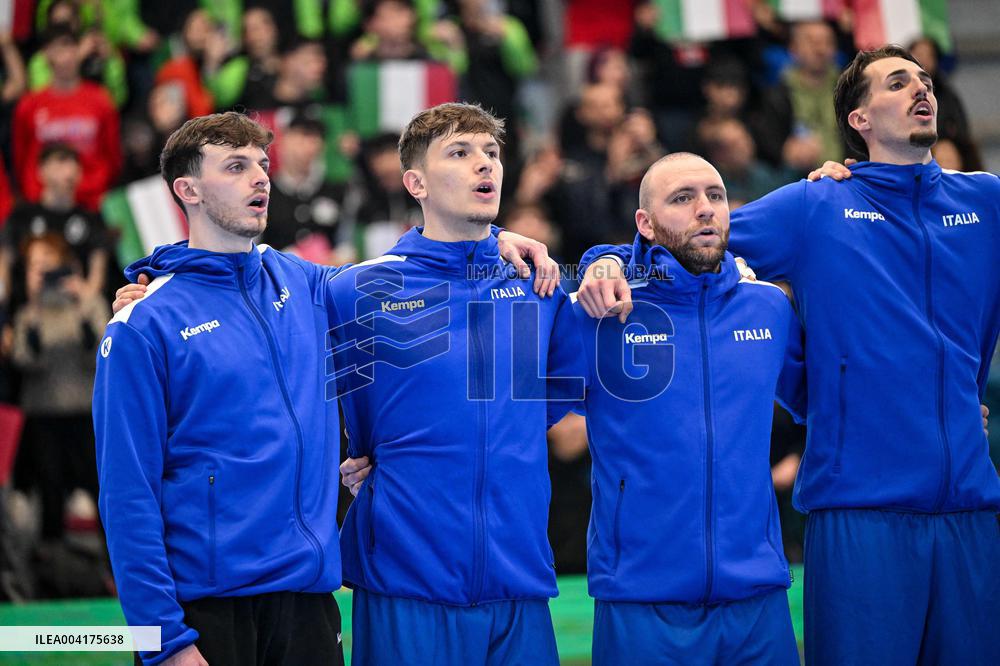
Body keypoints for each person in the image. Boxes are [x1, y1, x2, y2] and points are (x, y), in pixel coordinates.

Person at [577, 46, 1000, 665]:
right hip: (860, 509)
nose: (921, 90)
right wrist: (601, 260)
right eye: (898, 82)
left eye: (926, 80)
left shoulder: (985, 204)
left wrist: (963, 402)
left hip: (971, 504)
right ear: (858, 119)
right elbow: (690, 239)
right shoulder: (817, 206)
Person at [327, 102, 585, 665]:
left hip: (518, 578)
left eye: (492, 153)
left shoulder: (538, 286)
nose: (484, 166)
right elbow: (263, 323)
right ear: (414, 182)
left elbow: (545, 404)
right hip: (404, 578)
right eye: (460, 153)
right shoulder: (355, 290)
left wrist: (609, 260)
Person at [577, 152, 804, 664]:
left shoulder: (769, 306)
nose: (705, 209)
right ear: (646, 223)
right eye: (682, 198)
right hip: (641, 599)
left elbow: (828, 400)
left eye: (715, 196)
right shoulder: (599, 310)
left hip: (757, 598)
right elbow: (507, 416)